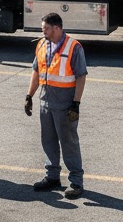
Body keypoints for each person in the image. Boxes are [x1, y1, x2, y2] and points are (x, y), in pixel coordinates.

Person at [24, 12, 87, 200]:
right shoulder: (42, 44)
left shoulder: (73, 46)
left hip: (65, 102)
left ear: (57, 28)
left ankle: (76, 182)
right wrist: (29, 95)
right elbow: (36, 72)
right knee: (48, 140)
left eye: (46, 28)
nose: (42, 31)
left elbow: (81, 76)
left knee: (69, 143)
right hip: (46, 100)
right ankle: (52, 177)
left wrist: (76, 103)